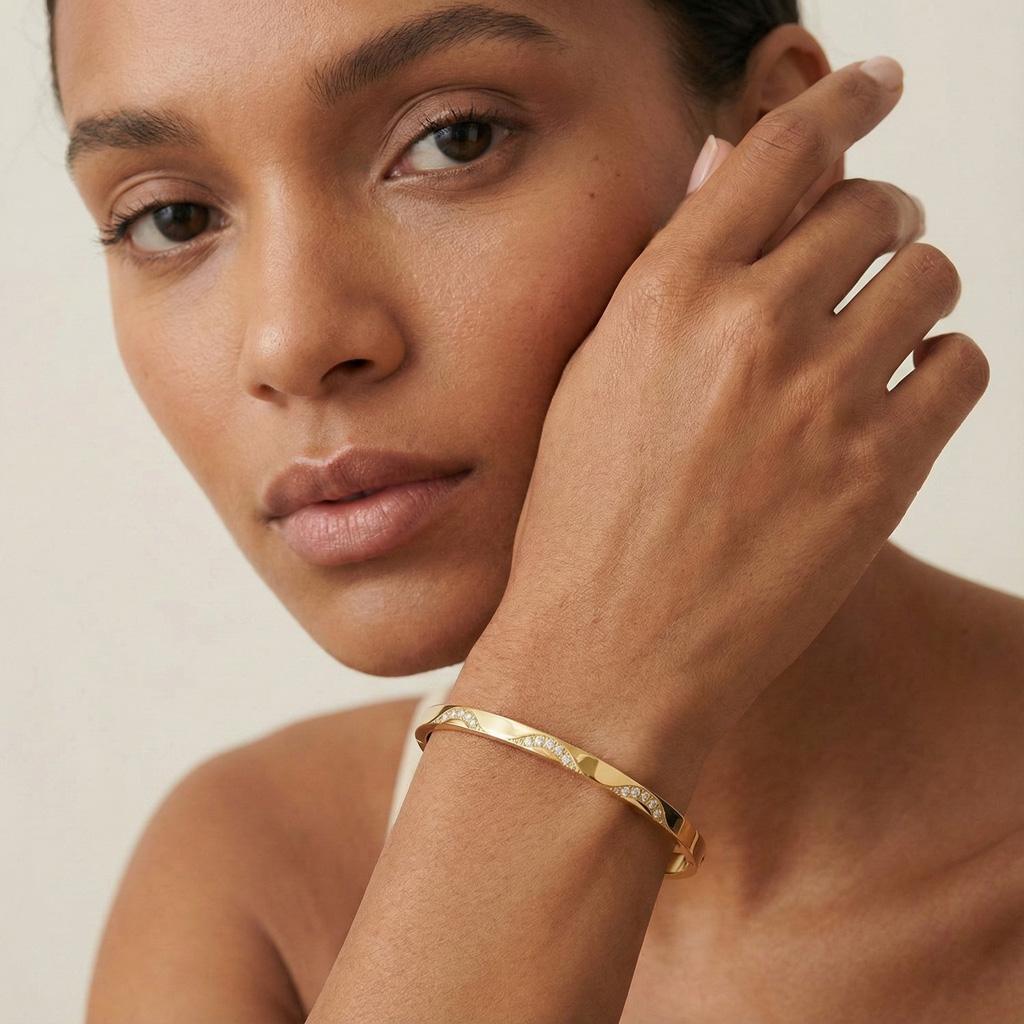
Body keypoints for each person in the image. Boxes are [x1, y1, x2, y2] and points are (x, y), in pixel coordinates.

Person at [45, 1, 1023, 1020]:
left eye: (452, 138)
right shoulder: (258, 874)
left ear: (774, 145)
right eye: (171, 218)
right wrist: (588, 692)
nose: (290, 341)